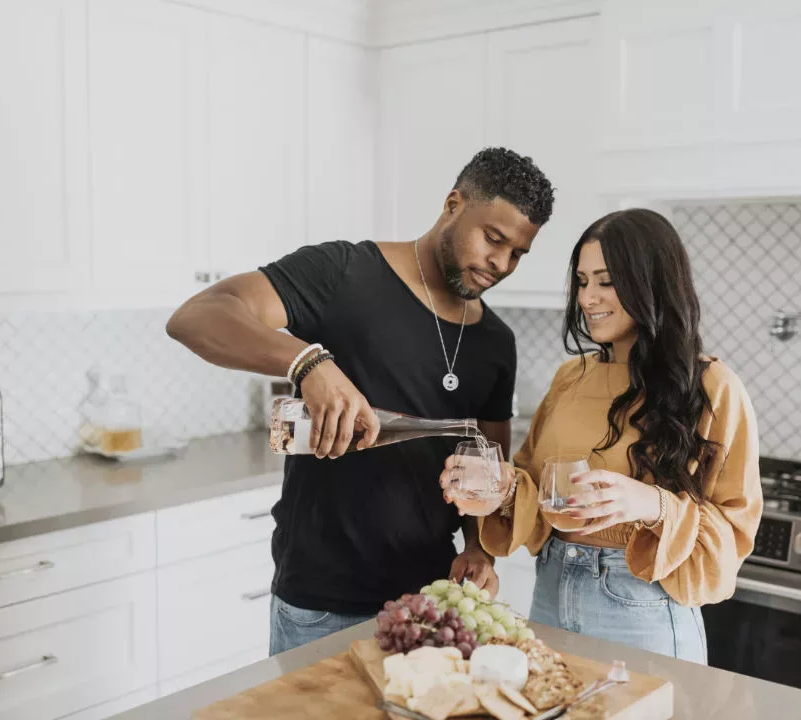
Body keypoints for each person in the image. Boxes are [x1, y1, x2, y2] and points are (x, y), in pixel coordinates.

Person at [166, 147, 555, 655]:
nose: (500, 264)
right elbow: (197, 316)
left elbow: (484, 472)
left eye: (518, 253)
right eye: (493, 239)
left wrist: (481, 547)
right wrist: (308, 363)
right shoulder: (345, 272)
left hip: (429, 607)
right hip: (321, 602)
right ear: (454, 205)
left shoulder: (496, 341)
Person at [441, 208, 762, 663]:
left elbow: (734, 530)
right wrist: (500, 488)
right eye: (583, 281)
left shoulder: (712, 387)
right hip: (551, 596)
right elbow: (536, 496)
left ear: (651, 283)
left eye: (606, 282)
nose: (588, 298)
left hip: (643, 610)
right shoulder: (571, 377)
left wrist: (651, 504)